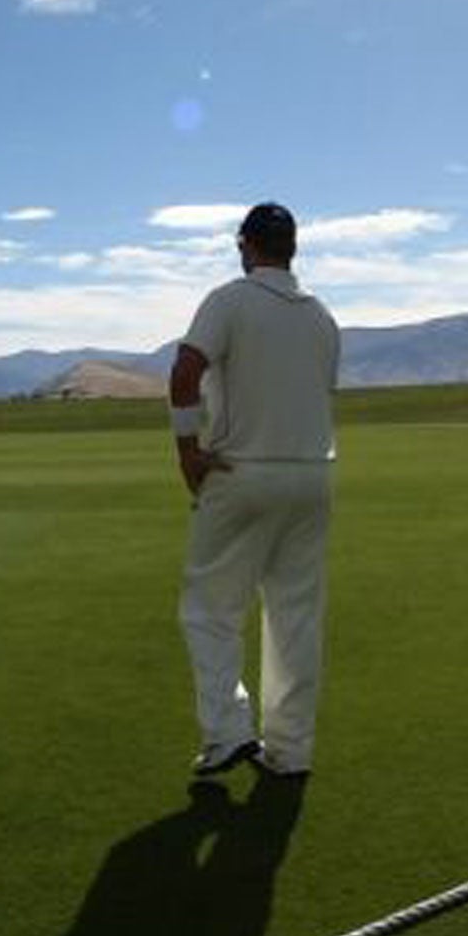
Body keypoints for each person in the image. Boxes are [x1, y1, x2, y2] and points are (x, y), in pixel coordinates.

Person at [169, 202, 340, 780]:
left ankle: (227, 733)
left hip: (243, 471)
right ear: (292, 247)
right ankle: (290, 753)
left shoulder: (228, 301)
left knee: (209, 609)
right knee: (295, 617)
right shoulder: (321, 317)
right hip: (313, 474)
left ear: (246, 245)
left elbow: (186, 368)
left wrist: (187, 450)